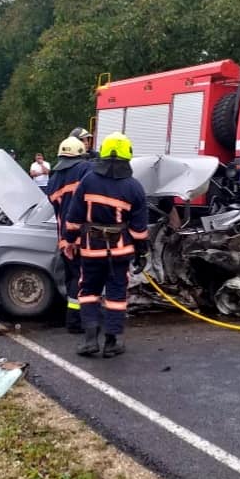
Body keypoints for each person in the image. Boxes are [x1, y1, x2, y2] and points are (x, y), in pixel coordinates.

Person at [63, 132, 148, 358]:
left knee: (88, 291)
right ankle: (112, 343)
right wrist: (141, 254)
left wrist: (69, 242)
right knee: (116, 295)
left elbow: (73, 218)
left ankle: (90, 340)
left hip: (91, 250)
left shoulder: (88, 181)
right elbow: (139, 230)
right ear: (127, 156)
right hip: (120, 253)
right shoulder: (134, 187)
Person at [46, 136, 93, 334]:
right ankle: (76, 321)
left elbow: (53, 202)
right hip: (82, 236)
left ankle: (73, 316)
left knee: (72, 277)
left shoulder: (55, 176)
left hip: (64, 237)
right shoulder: (84, 169)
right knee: (83, 279)